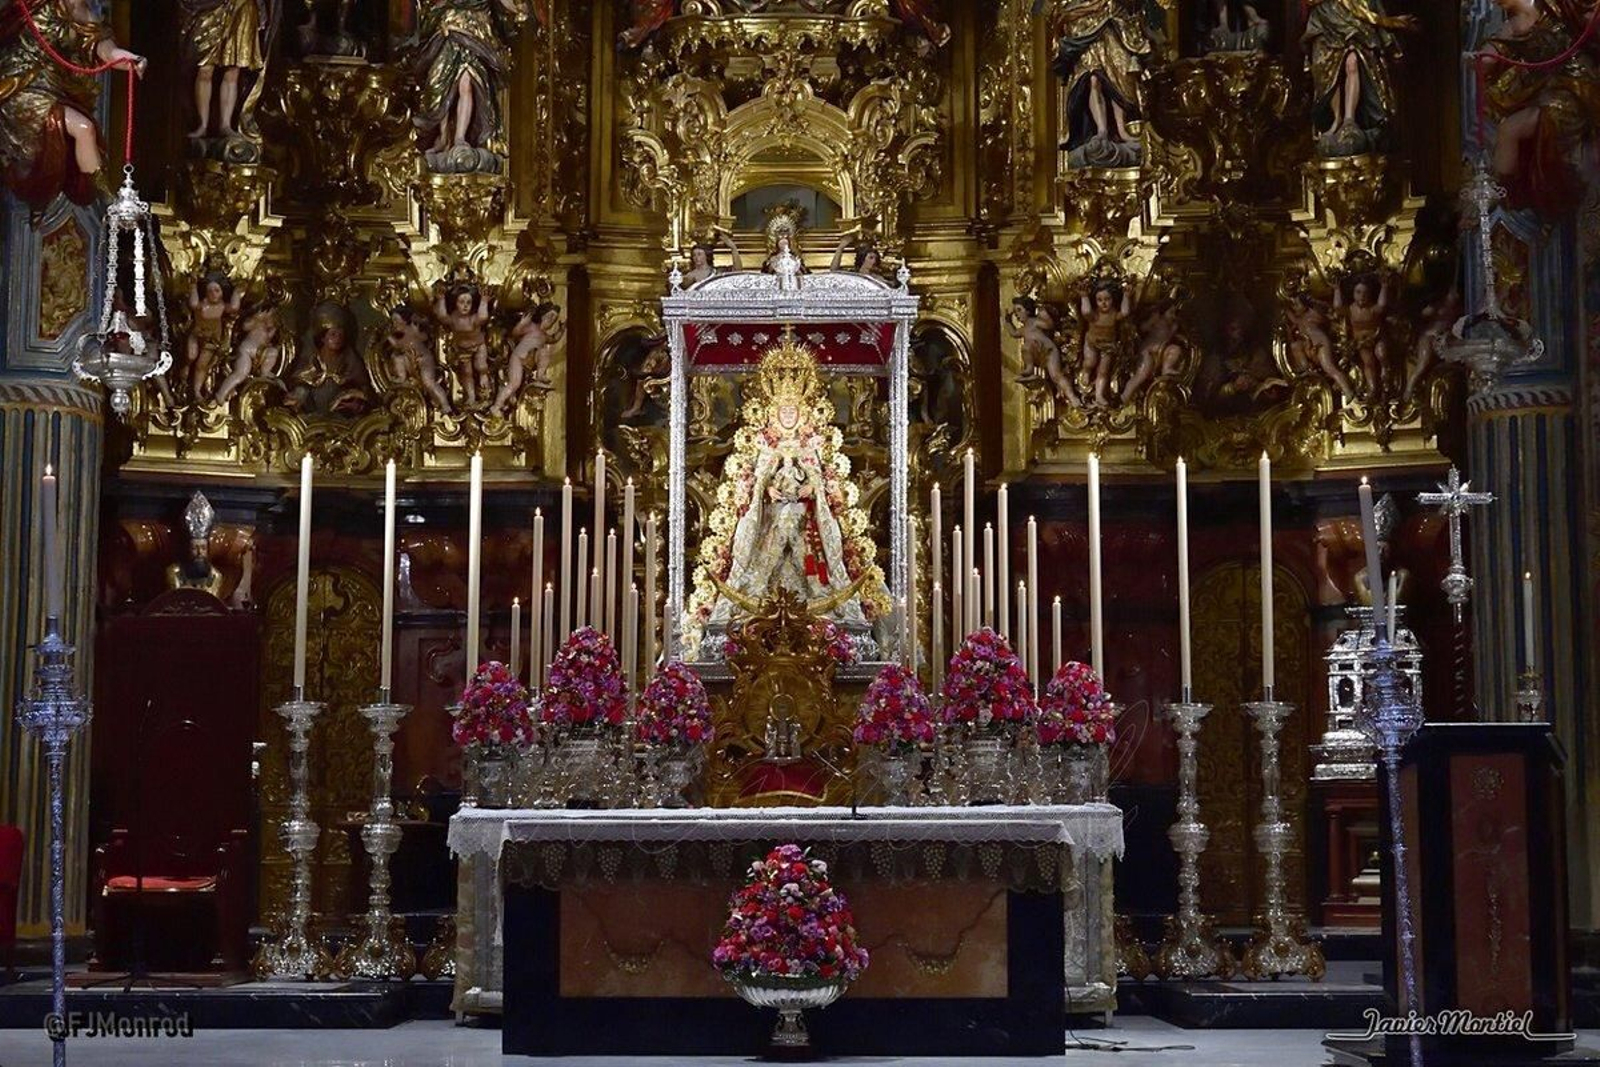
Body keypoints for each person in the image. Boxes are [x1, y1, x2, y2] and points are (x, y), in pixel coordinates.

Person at [0, 0, 146, 211]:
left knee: (84, 131)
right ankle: (104, 201)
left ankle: (102, 200)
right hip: (16, 86)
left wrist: (125, 59)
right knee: (82, 128)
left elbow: (103, 48)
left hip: (53, 88)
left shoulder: (85, 12)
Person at [491, 302, 563, 415]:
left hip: (530, 361)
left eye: (554, 319)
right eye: (549, 316)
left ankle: (540, 374)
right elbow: (515, 333)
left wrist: (561, 330)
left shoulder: (544, 336)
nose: (551, 320)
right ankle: (496, 406)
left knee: (544, 351)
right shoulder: (532, 327)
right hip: (518, 358)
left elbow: (554, 339)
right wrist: (522, 323)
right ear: (542, 315)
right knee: (514, 383)